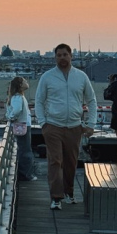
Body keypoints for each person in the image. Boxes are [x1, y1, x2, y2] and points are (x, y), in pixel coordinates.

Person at [35, 43, 97, 210]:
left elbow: (91, 100)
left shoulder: (81, 77)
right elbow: (39, 101)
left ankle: (69, 192)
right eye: (59, 55)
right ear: (55, 58)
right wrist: (43, 123)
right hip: (53, 125)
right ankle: (56, 197)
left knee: (71, 162)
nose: (62, 58)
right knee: (55, 161)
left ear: (71, 56)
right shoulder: (47, 77)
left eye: (65, 54)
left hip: (74, 127)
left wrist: (91, 124)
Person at [6, 76, 37, 181]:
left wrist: (10, 117)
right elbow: (17, 110)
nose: (27, 82)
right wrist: (11, 117)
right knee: (25, 150)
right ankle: (26, 174)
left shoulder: (17, 97)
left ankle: (24, 173)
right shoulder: (18, 97)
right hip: (22, 125)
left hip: (21, 125)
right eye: (24, 81)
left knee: (23, 149)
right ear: (20, 85)